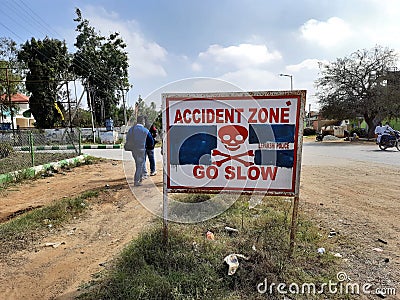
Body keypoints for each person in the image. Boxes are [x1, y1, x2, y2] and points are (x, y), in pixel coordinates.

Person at [125, 116, 154, 186]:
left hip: (133, 150)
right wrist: (149, 146)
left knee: (138, 164)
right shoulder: (145, 130)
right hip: (141, 150)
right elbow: (151, 141)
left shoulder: (131, 130)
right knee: (139, 165)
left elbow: (127, 138)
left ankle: (140, 178)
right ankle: (136, 181)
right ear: (143, 122)